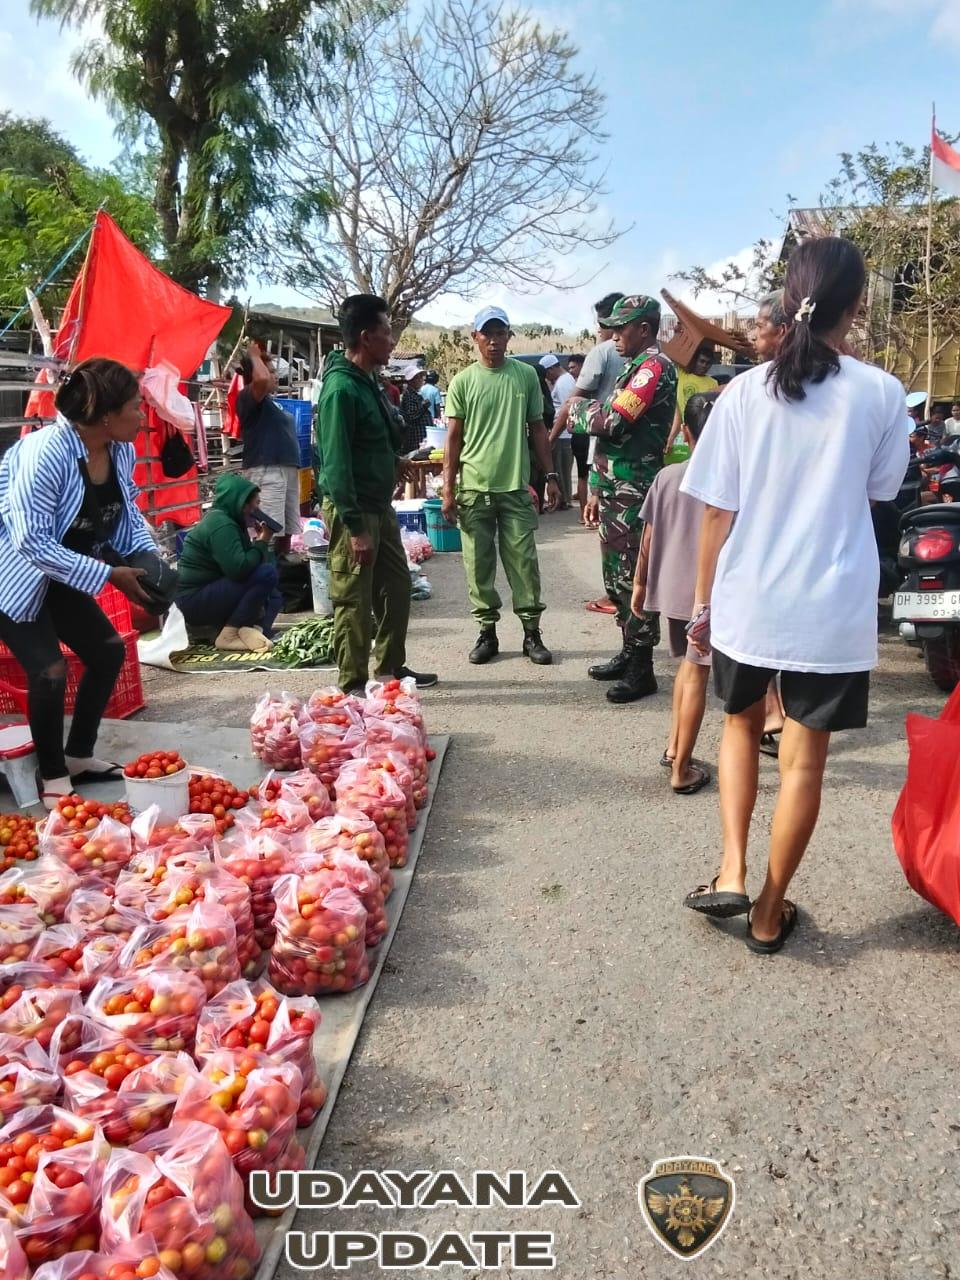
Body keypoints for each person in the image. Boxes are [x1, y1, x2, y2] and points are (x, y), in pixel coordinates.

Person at [680, 236, 909, 953]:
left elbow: (716, 512)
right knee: (805, 762)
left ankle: (732, 868)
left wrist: (701, 608)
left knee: (742, 727)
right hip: (831, 607)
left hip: (748, 599)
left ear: (789, 300)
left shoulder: (742, 393)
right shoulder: (882, 393)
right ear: (858, 306)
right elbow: (879, 493)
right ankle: (771, 913)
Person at [0, 358, 157, 806]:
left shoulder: (118, 448)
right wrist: (109, 574)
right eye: (135, 406)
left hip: (62, 568)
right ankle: (51, 777)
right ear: (106, 413)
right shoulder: (44, 453)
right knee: (49, 670)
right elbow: (30, 540)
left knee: (107, 650)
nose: (142, 417)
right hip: (12, 572)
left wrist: (146, 559)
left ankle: (78, 756)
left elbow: (125, 514)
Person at [316, 293, 437, 693]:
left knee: (397, 586)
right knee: (353, 598)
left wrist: (393, 459)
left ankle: (389, 670)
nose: (392, 341)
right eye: (387, 333)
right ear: (366, 337)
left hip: (379, 505)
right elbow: (335, 464)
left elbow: (371, 439)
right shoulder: (341, 390)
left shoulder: (369, 381)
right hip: (354, 509)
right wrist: (354, 527)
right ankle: (351, 687)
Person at [572, 295, 678, 702]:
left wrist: (581, 408)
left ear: (645, 329)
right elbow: (607, 430)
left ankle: (642, 667)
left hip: (636, 491)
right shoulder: (634, 368)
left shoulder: (654, 368)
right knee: (615, 577)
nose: (614, 335)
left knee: (635, 577)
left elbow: (613, 421)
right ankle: (628, 651)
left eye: (622, 327)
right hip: (617, 489)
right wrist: (597, 486)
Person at [442, 306, 560, 666]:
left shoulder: (525, 376)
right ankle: (487, 633)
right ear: (475, 337)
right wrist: (448, 489)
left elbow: (538, 429)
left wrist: (551, 476)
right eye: (486, 334)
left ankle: (531, 633)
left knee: (524, 563)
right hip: (474, 490)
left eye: (500, 333)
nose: (493, 341)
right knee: (478, 565)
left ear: (509, 336)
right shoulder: (463, 381)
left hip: (515, 490)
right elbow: (453, 439)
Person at [632, 391, 717, 795]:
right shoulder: (731, 478)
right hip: (710, 596)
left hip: (672, 591)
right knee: (695, 673)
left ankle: (673, 746)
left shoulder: (667, 476)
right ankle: (681, 768)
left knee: (686, 667)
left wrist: (639, 583)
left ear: (685, 431)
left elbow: (647, 535)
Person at [175, 474, 282, 652]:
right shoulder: (221, 524)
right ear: (240, 503)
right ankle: (230, 635)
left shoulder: (233, 523)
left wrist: (261, 542)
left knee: (275, 595)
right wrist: (262, 542)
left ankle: (254, 631)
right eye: (255, 504)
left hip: (213, 591)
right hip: (193, 600)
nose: (257, 509)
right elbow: (239, 570)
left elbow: (258, 566)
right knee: (267, 574)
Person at [236, 340, 301, 558]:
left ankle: (283, 579)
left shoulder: (271, 403)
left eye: (273, 371)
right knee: (268, 530)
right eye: (269, 371)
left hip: (285, 469)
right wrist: (254, 355)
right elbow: (262, 380)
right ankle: (265, 576)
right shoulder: (247, 397)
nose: (273, 375)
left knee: (287, 529)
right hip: (267, 470)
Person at [664, 343, 719, 455]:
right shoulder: (682, 374)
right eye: (701, 361)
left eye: (708, 363)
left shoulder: (713, 383)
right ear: (694, 361)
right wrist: (680, 333)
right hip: (680, 430)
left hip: (701, 432)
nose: (704, 366)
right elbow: (672, 353)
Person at [540, 354, 576, 509]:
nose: (547, 377)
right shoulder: (565, 380)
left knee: (561, 468)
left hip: (563, 433)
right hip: (563, 433)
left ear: (553, 368)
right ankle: (564, 499)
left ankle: (564, 500)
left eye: (547, 373)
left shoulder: (563, 383)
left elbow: (565, 408)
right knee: (562, 468)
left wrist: (554, 433)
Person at [399, 367, 433, 453]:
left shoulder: (415, 395)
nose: (422, 379)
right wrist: (424, 406)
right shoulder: (409, 395)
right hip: (415, 440)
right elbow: (412, 416)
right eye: (419, 377)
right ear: (412, 380)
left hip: (420, 438)